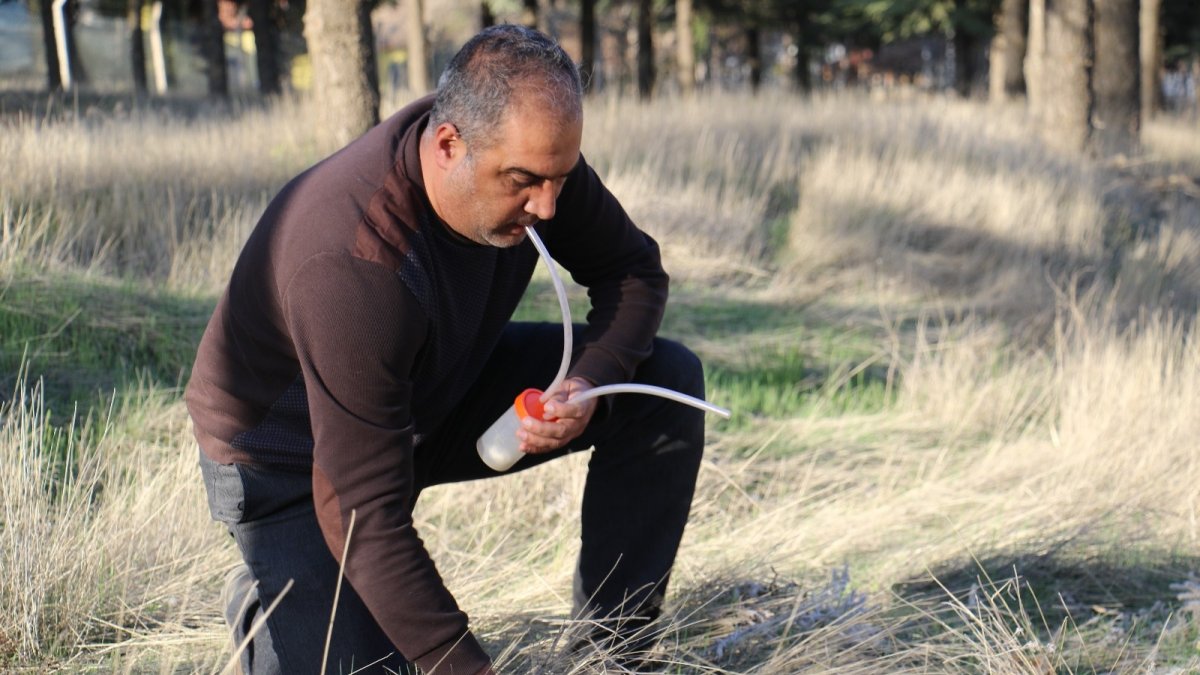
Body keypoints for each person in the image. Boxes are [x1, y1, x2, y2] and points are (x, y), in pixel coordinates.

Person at [187, 24, 705, 675]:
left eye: (560, 178)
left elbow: (634, 273)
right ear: (448, 144)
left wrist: (588, 377)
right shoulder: (354, 264)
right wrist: (460, 663)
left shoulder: (536, 167)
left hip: (428, 389)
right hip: (293, 459)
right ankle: (275, 602)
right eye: (523, 180)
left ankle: (613, 658)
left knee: (666, 381)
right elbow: (359, 507)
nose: (547, 206)